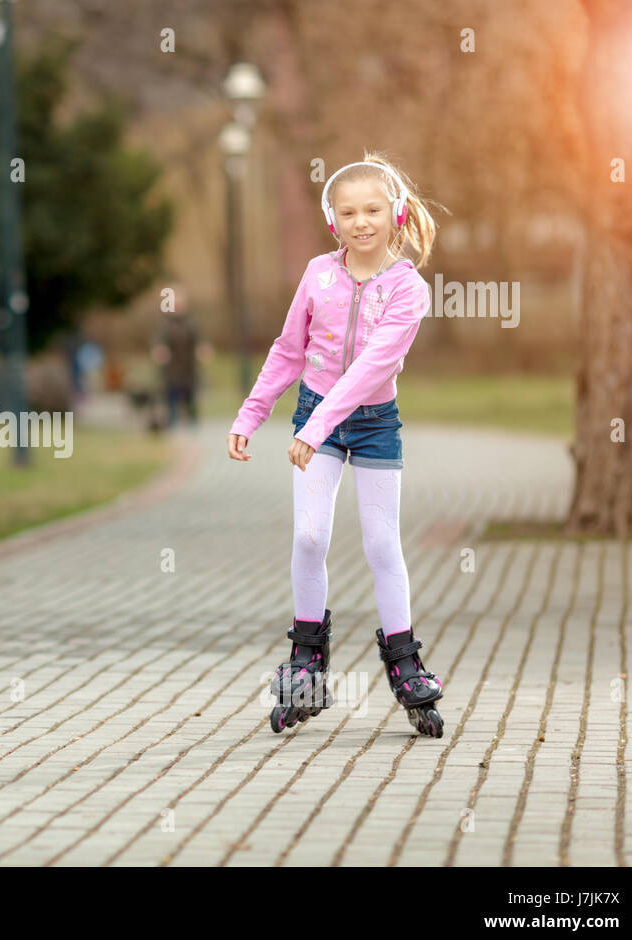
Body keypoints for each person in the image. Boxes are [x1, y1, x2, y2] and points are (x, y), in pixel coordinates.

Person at [226, 152, 447, 738]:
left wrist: (314, 427)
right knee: (309, 534)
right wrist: (253, 412)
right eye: (348, 212)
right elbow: (287, 349)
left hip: (371, 422)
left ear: (394, 213)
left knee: (380, 544)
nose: (362, 221)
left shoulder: (408, 289)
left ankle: (405, 663)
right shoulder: (317, 274)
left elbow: (374, 366)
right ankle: (306, 666)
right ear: (333, 220)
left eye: (373, 209)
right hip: (312, 418)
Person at [151, 282, 204, 429]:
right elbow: (158, 341)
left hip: (188, 367)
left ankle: (193, 425)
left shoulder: (191, 322)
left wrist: (201, 349)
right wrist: (159, 350)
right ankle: (172, 425)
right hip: (171, 369)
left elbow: (198, 339)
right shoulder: (164, 323)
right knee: (171, 397)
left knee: (190, 397)